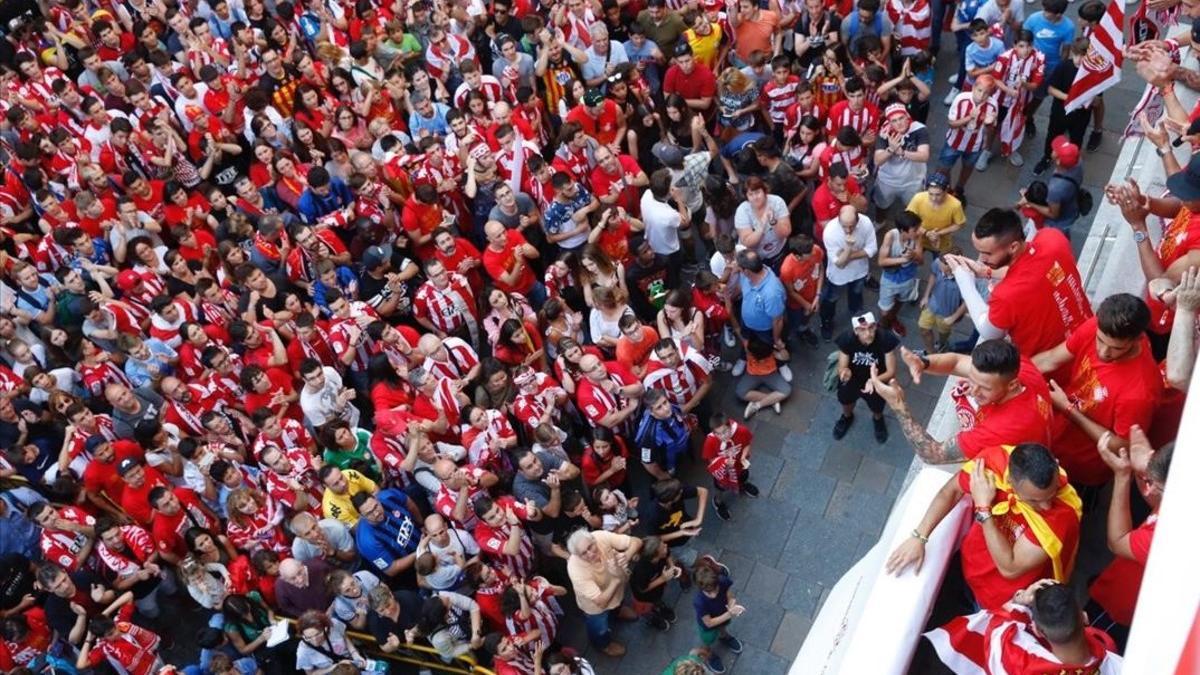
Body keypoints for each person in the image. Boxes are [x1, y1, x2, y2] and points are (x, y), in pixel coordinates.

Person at [887, 443, 1082, 610]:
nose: (1046, 506)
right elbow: (952, 491)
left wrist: (983, 509)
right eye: (1034, 501)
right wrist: (920, 536)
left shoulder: (1061, 516)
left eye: (1051, 494)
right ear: (1010, 481)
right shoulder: (993, 465)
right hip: (969, 565)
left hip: (1000, 599)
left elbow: (1010, 567)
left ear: (1056, 467)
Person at [948, 207, 1091, 382]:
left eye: (987, 253)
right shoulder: (1052, 238)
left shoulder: (1007, 294)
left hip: (1057, 372)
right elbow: (1033, 270)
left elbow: (989, 331)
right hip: (1088, 337)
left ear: (1013, 246)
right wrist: (987, 272)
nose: (981, 258)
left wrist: (965, 281)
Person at [871, 339, 1052, 463]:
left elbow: (933, 454)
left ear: (1012, 384)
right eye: (972, 379)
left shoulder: (1003, 428)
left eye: (984, 388)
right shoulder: (1018, 367)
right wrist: (924, 363)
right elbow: (957, 362)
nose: (973, 390)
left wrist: (898, 406)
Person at [1087, 431, 1173, 651]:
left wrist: (1122, 475)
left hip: (1123, 606)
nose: (1149, 489)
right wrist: (1140, 470)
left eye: (1158, 486)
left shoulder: (1161, 539)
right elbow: (1155, 500)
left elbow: (1116, 541)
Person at [564, 528, 643, 657]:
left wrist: (627, 555)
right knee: (599, 628)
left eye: (591, 547)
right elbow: (601, 602)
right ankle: (603, 645)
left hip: (616, 591)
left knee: (617, 603)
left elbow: (636, 541)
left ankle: (617, 611)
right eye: (584, 553)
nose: (590, 554)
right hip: (595, 608)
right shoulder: (576, 570)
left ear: (593, 539)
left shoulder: (600, 536)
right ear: (577, 555)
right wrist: (616, 580)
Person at [834, 311, 898, 443]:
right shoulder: (847, 339)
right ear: (856, 331)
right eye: (862, 330)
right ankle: (847, 417)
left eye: (871, 328)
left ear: (876, 326)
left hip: (877, 379)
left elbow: (891, 371)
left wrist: (874, 380)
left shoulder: (885, 339)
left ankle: (878, 419)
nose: (868, 333)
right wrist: (844, 372)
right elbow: (842, 366)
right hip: (854, 379)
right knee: (846, 400)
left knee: (877, 405)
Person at [819, 205, 877, 341]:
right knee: (831, 298)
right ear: (838, 219)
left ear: (858, 219)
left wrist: (847, 254)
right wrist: (849, 247)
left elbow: (872, 249)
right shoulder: (830, 232)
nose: (848, 230)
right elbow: (839, 265)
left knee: (856, 294)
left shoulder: (866, 223)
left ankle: (856, 315)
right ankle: (826, 322)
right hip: (837, 276)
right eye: (844, 226)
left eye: (851, 226)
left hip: (859, 272)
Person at [691, 555, 744, 675]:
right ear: (701, 588)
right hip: (708, 626)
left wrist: (732, 605)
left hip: (723, 614)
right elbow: (709, 623)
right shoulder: (699, 601)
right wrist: (729, 613)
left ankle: (724, 637)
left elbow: (730, 596)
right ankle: (709, 654)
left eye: (716, 589)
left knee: (723, 628)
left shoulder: (722, 581)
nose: (714, 594)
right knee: (707, 640)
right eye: (709, 592)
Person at [876, 211, 923, 336]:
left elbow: (921, 261)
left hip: (908, 276)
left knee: (901, 300)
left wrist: (914, 255)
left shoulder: (917, 237)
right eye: (915, 229)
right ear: (903, 230)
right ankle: (884, 323)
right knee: (885, 310)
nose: (919, 231)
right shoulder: (891, 236)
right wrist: (904, 259)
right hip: (890, 278)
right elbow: (881, 261)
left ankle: (892, 319)